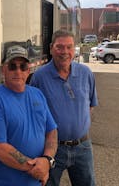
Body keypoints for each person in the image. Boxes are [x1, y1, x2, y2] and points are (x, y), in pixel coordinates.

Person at [30, 30, 98, 186]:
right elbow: (34, 115)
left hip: (83, 147)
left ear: (74, 49)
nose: (65, 52)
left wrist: (78, 127)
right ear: (51, 48)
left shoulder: (85, 73)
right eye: (60, 47)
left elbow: (90, 106)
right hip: (54, 149)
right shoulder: (39, 77)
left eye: (69, 47)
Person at [0, 45, 58, 186]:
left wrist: (47, 160)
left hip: (36, 181)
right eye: (12, 66)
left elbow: (52, 130)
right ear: (3, 69)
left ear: (29, 69)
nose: (18, 71)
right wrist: (37, 168)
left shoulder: (37, 94)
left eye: (23, 66)